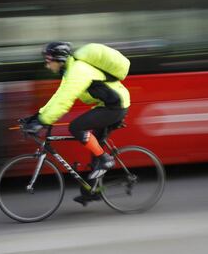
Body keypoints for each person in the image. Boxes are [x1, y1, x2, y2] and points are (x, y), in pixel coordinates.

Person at [23, 41, 130, 204]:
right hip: (108, 106)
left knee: (76, 127)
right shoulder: (70, 72)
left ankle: (106, 160)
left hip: (115, 107)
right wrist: (37, 117)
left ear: (59, 59)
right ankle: (91, 191)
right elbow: (58, 98)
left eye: (48, 60)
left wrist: (42, 121)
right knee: (95, 147)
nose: (47, 65)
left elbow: (64, 101)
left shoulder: (78, 71)